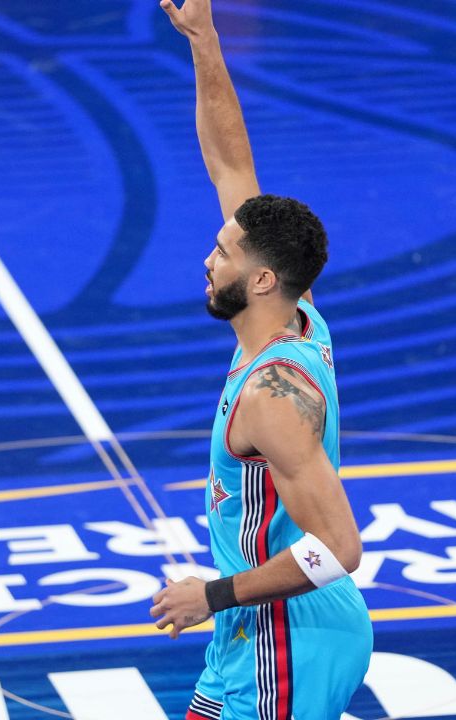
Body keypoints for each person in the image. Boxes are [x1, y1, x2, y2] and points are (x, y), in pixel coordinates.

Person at [149, 1, 373, 718]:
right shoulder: (297, 315)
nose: (208, 261)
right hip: (257, 636)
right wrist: (205, 44)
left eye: (224, 254)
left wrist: (210, 596)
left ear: (263, 280)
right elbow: (230, 161)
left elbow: (339, 547)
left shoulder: (272, 397)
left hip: (285, 644)